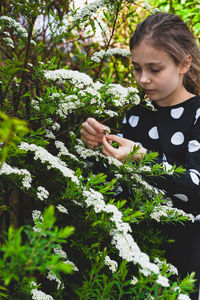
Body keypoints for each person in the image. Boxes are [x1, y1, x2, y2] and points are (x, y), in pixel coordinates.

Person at [80, 12, 200, 299]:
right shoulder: (135, 116)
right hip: (134, 248)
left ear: (184, 63)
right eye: (136, 68)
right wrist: (97, 147)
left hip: (187, 254)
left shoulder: (197, 115)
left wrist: (143, 159)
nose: (143, 79)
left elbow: (195, 184)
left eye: (155, 69)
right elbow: (115, 189)